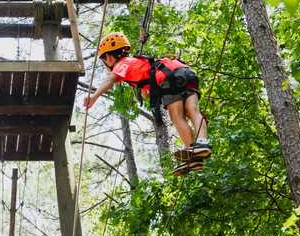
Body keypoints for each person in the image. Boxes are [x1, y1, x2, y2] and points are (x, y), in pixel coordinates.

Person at [82, 32, 211, 175]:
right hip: (184, 72)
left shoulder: (121, 64)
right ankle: (201, 144)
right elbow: (146, 88)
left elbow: (110, 80)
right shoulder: (138, 63)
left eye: (104, 59)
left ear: (109, 57)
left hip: (168, 79)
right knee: (192, 110)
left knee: (176, 116)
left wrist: (93, 97)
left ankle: (191, 150)